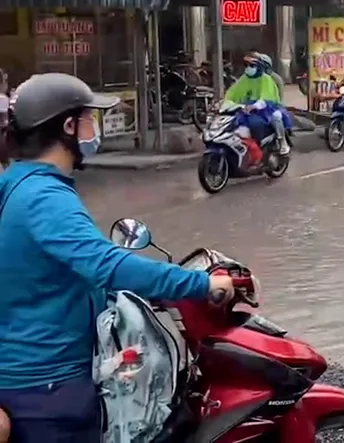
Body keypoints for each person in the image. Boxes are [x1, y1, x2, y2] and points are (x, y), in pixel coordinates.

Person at [0, 73, 234, 442]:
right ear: (68, 126)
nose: (96, 130)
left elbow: (62, 268)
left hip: (26, 375)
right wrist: (202, 284)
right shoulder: (44, 198)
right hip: (47, 388)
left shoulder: (17, 181)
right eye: (90, 119)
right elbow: (107, 264)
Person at [223, 53, 291, 154]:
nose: (248, 68)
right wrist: (223, 103)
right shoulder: (243, 79)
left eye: (251, 65)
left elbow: (267, 97)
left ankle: (282, 142)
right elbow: (231, 93)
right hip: (247, 109)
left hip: (266, 108)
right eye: (246, 65)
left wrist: (255, 105)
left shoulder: (266, 79)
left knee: (276, 116)